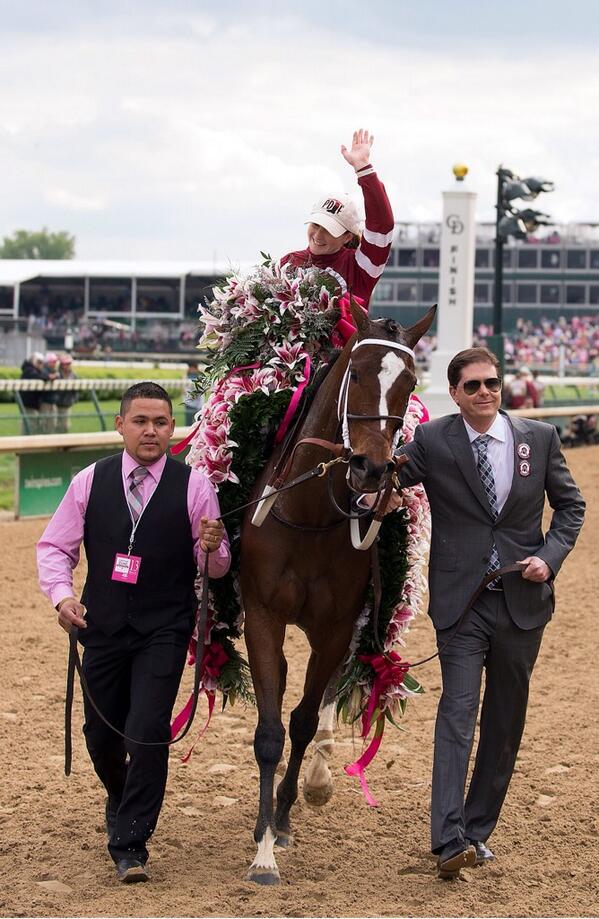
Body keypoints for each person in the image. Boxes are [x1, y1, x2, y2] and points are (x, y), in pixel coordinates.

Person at [395, 346, 585, 880]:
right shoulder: (433, 440)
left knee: (504, 721)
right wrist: (366, 489)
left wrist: (549, 559)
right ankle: (447, 838)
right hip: (461, 604)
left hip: (524, 605)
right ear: (454, 394)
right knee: (457, 713)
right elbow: (384, 479)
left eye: (491, 383)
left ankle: (477, 831)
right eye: (472, 385)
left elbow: (571, 506)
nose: (484, 392)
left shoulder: (539, 439)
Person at [37, 382, 230, 884]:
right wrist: (62, 597)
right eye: (141, 421)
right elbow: (55, 548)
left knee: (146, 731)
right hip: (98, 624)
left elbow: (215, 567)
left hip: (163, 627)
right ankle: (122, 799)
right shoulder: (88, 481)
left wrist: (213, 547)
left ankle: (130, 844)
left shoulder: (195, 486)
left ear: (173, 428)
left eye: (161, 422)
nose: (151, 431)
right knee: (101, 738)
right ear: (121, 425)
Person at [279, 128, 394, 307]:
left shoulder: (361, 267)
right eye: (316, 225)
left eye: (328, 230)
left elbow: (382, 225)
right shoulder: (288, 262)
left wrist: (363, 167)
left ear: (347, 236)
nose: (317, 235)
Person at [19, 351, 46, 434]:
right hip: (29, 403)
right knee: (29, 426)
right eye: (39, 362)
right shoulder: (29, 370)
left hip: (32, 403)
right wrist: (47, 377)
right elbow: (37, 377)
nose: (41, 364)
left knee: (32, 425)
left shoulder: (32, 370)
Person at [55, 354, 78, 433]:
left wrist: (74, 399)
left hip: (66, 404)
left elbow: (75, 390)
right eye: (66, 364)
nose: (68, 365)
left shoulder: (73, 375)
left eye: (69, 363)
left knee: (65, 425)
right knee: (55, 425)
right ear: (62, 364)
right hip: (55, 403)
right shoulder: (57, 374)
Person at [39, 351, 59, 434]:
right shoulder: (44, 370)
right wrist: (54, 376)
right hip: (44, 402)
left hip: (53, 402)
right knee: (44, 424)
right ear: (48, 362)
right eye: (53, 362)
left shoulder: (55, 371)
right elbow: (45, 376)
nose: (55, 363)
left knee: (53, 425)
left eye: (55, 362)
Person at [184, 361, 204, 426]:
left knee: (198, 423)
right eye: (190, 368)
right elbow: (184, 390)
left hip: (198, 405)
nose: (191, 369)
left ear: (196, 368)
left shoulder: (199, 378)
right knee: (188, 424)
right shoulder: (186, 377)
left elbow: (200, 392)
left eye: (192, 368)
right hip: (189, 404)